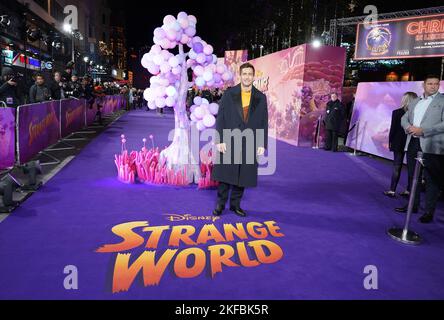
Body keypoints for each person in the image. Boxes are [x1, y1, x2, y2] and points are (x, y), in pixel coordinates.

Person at [211, 62, 268, 217]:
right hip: (229, 140)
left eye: (250, 74)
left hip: (250, 142)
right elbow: (221, 118)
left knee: (243, 176)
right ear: (240, 75)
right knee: (225, 176)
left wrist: (262, 143)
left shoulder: (261, 97)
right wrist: (220, 140)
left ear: (253, 76)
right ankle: (220, 204)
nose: (247, 77)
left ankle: (235, 205)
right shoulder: (229, 94)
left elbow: (264, 121)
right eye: (245, 74)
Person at [395, 74, 444, 224]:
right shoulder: (415, 101)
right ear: (424, 85)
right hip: (413, 143)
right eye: (430, 84)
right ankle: (412, 205)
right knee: (412, 176)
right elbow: (404, 118)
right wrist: (409, 127)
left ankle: (429, 212)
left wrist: (423, 130)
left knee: (431, 179)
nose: (433, 86)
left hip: (432, 145)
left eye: (436, 84)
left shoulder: (443, 101)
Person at [384, 92, 418, 198]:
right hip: (411, 143)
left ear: (404, 99)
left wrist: (390, 141)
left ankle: (392, 190)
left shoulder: (397, 112)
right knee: (410, 167)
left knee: (397, 166)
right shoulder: (416, 113)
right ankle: (408, 190)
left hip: (398, 143)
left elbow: (393, 129)